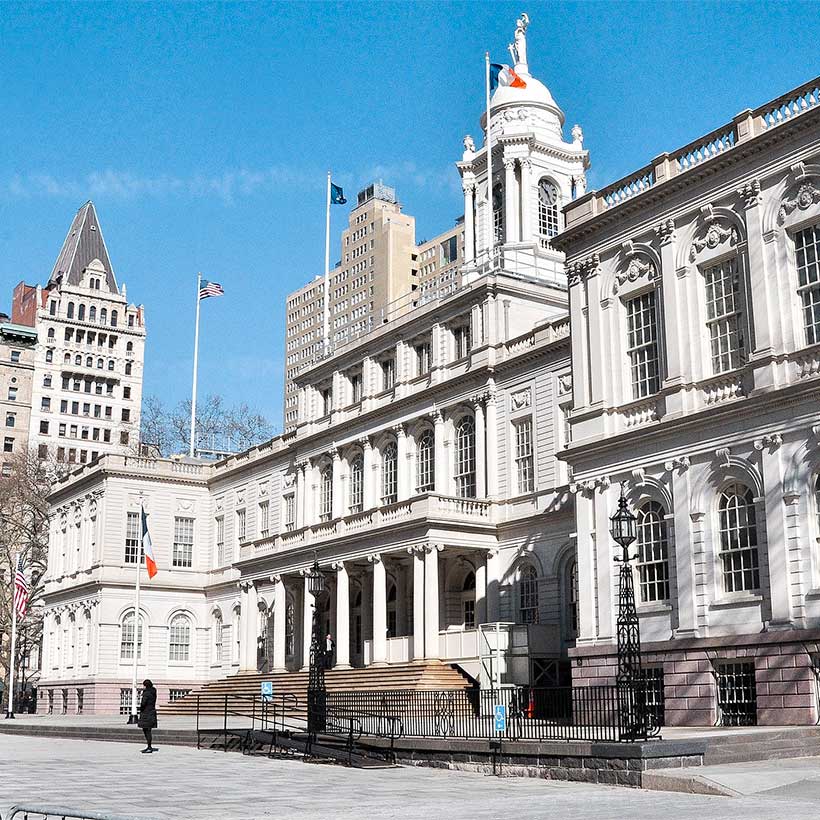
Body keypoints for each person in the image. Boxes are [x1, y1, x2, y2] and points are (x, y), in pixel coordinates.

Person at [138, 679, 158, 753]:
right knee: (148, 730)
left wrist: (140, 708)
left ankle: (149, 747)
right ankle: (149, 746)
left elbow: (143, 703)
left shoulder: (146, 693)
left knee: (146, 730)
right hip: (152, 712)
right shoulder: (153, 691)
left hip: (146, 713)